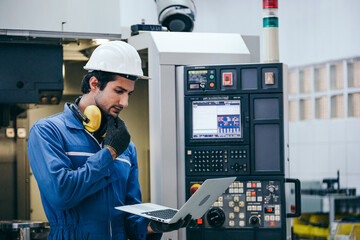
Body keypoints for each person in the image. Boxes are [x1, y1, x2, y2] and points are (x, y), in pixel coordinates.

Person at [28, 41, 191, 240]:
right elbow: (61, 194)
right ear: (94, 84)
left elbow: (131, 215)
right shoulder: (49, 131)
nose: (125, 102)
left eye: (129, 93)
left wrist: (154, 226)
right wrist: (110, 153)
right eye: (119, 91)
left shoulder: (126, 147)